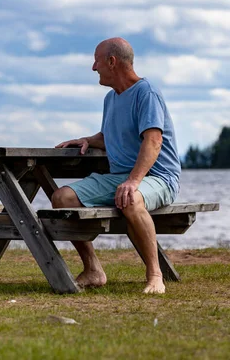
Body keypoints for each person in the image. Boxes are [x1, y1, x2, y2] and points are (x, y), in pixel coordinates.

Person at [53, 37, 181, 294]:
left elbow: (153, 140)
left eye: (96, 61)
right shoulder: (111, 99)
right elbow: (109, 136)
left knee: (131, 199)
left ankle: (155, 276)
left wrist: (133, 181)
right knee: (62, 197)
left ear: (112, 62)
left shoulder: (147, 93)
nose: (93, 68)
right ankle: (93, 269)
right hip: (121, 176)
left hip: (159, 177)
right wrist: (89, 140)